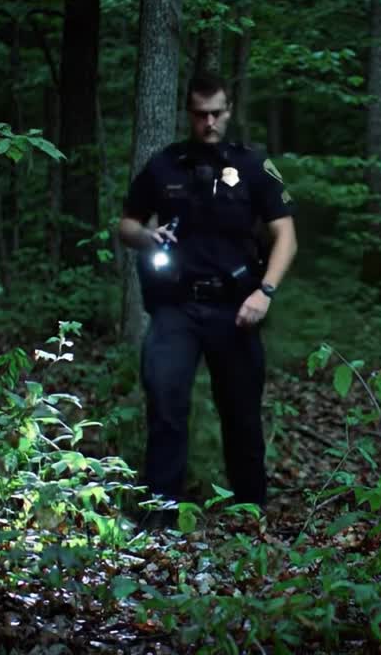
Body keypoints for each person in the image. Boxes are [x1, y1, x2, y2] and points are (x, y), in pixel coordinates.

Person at [118, 72, 297, 528]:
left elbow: (286, 236)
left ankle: (250, 517)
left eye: (217, 113)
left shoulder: (253, 165)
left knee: (241, 415)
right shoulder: (165, 165)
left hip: (236, 308)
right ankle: (160, 519)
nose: (209, 123)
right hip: (176, 306)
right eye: (201, 115)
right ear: (189, 114)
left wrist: (265, 292)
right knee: (166, 406)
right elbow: (127, 224)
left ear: (229, 111)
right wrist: (147, 236)